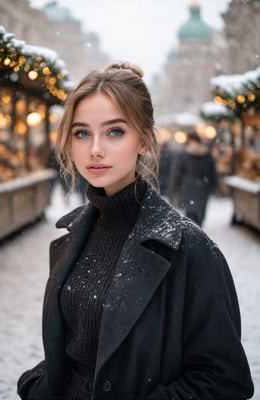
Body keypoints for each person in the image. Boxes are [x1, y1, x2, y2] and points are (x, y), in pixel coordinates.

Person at [17, 62, 254, 400]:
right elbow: (78, 348)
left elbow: (225, 381)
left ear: (144, 141)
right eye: (82, 132)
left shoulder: (190, 248)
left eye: (115, 132)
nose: (95, 148)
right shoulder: (72, 239)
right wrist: (40, 383)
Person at [174, 131, 218, 226]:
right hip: (203, 187)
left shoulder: (184, 153)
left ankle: (192, 233)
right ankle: (199, 230)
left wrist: (175, 187)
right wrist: (213, 186)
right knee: (200, 215)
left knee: (190, 215)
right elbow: (212, 172)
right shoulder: (206, 153)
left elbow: (178, 172)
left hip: (188, 187)